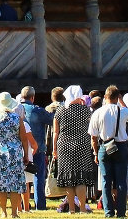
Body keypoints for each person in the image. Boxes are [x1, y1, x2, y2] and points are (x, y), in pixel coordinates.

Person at [90, 84, 128, 218]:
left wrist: (96, 153)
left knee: (105, 181)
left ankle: (108, 212)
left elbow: (93, 137)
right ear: (117, 97)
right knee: (121, 181)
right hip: (120, 146)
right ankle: (121, 212)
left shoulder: (98, 112)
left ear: (105, 97)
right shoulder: (124, 111)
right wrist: (121, 101)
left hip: (104, 146)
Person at [53, 85, 97, 213]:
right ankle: (82, 207)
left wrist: (54, 148)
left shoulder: (60, 110)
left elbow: (56, 132)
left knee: (69, 178)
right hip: (82, 144)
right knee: (81, 177)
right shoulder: (86, 110)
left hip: (64, 145)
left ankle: (71, 208)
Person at [0, 91, 31, 219]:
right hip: (15, 153)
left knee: (0, 184)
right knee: (15, 185)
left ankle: (3, 212)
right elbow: (24, 138)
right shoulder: (17, 118)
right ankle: (14, 212)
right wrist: (26, 155)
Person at [19, 86, 54, 210]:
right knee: (38, 177)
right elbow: (52, 120)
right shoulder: (37, 110)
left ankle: (22, 205)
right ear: (33, 97)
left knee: (21, 178)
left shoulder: (16, 109)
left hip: (21, 148)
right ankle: (40, 206)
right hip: (37, 148)